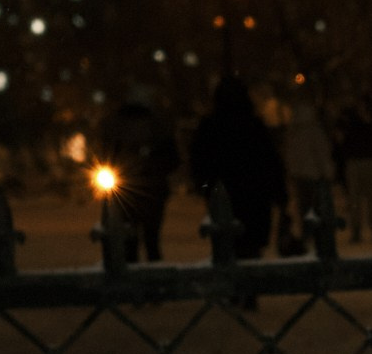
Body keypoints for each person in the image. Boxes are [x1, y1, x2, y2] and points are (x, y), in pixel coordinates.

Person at [187, 71, 286, 259]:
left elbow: (199, 162)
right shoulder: (253, 126)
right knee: (250, 252)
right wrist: (279, 195)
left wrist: (204, 187)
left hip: (224, 195)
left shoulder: (211, 127)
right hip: (254, 198)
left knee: (225, 249)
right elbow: (271, 163)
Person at [102, 89, 177, 262]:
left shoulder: (119, 125)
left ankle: (140, 271)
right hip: (142, 189)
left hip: (134, 188)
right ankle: (150, 273)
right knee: (148, 241)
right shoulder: (157, 125)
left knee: (137, 241)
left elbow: (108, 152)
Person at [282, 87, 334, 252]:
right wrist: (327, 172)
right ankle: (317, 235)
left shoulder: (293, 132)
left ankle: (308, 234)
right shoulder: (313, 130)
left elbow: (290, 154)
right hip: (314, 176)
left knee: (305, 208)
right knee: (317, 208)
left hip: (300, 176)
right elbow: (321, 153)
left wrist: (292, 171)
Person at [336, 103, 372, 245]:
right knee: (363, 199)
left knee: (363, 199)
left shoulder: (354, 122)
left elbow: (342, 143)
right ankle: (367, 231)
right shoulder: (357, 122)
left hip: (361, 161)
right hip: (362, 161)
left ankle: (370, 230)